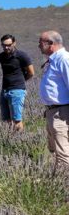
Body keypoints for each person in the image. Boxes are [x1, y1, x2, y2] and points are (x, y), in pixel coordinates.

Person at [38, 31, 69, 171]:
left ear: (51, 44)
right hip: (53, 111)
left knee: (62, 151)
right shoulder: (54, 60)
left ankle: (63, 186)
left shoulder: (63, 59)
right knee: (55, 148)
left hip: (62, 112)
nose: (38, 45)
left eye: (41, 42)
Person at [0, 34, 35, 131]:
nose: (6, 47)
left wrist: (20, 82)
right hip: (4, 90)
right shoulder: (1, 56)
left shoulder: (22, 56)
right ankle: (9, 140)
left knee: (17, 119)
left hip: (17, 91)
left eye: (9, 45)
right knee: (6, 119)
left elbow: (31, 73)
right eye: (3, 45)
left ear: (14, 43)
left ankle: (19, 140)